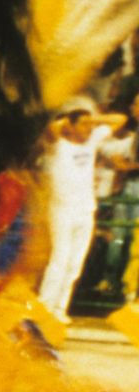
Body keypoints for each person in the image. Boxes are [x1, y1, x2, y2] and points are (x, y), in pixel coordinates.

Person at [38, 96, 129, 321]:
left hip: (85, 209)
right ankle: (44, 308)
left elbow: (121, 119)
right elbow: (51, 128)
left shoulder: (91, 141)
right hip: (62, 210)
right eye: (84, 125)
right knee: (60, 259)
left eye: (91, 126)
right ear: (70, 126)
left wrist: (90, 118)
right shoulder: (57, 144)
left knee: (75, 263)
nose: (90, 129)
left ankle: (59, 309)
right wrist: (70, 120)